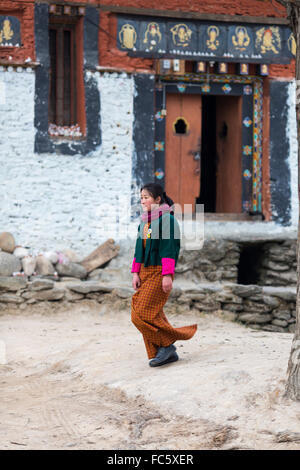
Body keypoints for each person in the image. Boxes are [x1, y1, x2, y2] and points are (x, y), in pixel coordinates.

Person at [131, 183, 197, 367]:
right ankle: (163, 352)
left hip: (159, 271)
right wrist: (135, 272)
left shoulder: (167, 220)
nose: (142, 201)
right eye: (141, 197)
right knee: (152, 313)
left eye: (146, 197)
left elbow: (169, 248)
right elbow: (138, 249)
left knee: (141, 313)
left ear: (158, 199)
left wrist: (167, 275)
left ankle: (167, 345)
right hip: (145, 272)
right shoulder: (145, 221)